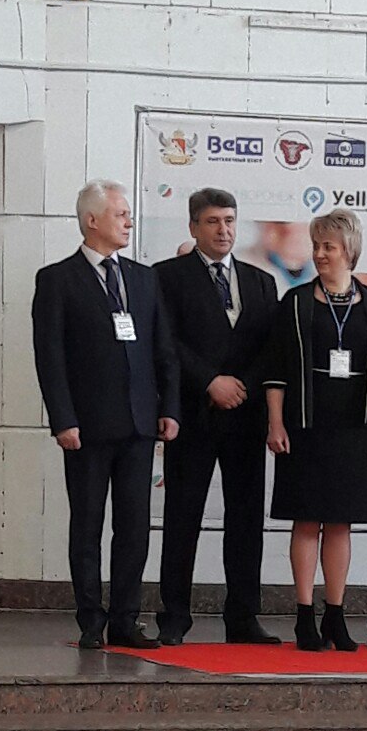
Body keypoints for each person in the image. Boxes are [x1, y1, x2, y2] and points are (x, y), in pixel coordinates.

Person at [31, 180, 180, 651]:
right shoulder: (57, 279)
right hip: (87, 427)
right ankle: (91, 620)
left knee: (134, 527)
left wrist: (169, 408)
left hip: (139, 423)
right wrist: (62, 419)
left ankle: (125, 619)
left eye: (128, 214)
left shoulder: (143, 278)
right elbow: (50, 357)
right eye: (120, 214)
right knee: (88, 525)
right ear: (92, 220)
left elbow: (163, 349)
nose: (128, 222)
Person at [264, 209, 367, 651]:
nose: (320, 254)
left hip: (355, 428)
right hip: (305, 426)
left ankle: (336, 617)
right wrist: (275, 422)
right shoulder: (296, 302)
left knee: (341, 524)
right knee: (306, 520)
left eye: (329, 247)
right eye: (317, 245)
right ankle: (304, 616)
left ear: (349, 251)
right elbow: (276, 371)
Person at [154, 188, 280, 646]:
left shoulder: (261, 280)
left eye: (229, 220)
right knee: (182, 517)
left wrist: (241, 385)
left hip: (245, 416)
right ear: (193, 227)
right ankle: (174, 617)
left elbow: (272, 347)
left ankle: (243, 617)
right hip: (193, 413)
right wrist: (210, 381)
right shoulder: (166, 276)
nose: (223, 229)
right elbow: (165, 341)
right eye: (212, 221)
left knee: (245, 519)